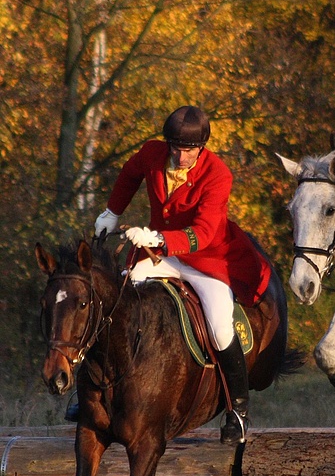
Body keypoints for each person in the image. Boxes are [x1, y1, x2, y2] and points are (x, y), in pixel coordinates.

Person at [94, 105, 271, 441]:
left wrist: (159, 237)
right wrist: (111, 212)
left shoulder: (218, 174)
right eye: (175, 147)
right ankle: (100, 390)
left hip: (207, 259)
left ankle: (239, 410)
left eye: (188, 149)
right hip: (160, 254)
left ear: (201, 147)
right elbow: (129, 175)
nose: (180, 155)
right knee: (118, 301)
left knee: (220, 327)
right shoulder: (151, 153)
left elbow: (203, 233)